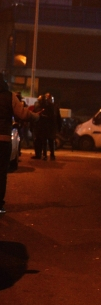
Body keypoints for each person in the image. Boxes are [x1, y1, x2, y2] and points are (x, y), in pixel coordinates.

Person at [0, 77, 39, 214]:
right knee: (1, 173)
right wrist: (35, 116)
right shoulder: (9, 97)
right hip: (3, 140)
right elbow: (22, 114)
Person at [37, 93, 61, 160]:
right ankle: (46, 155)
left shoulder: (52, 106)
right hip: (47, 126)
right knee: (46, 141)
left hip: (50, 126)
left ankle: (51, 154)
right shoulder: (45, 106)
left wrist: (59, 126)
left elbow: (57, 117)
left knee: (50, 141)